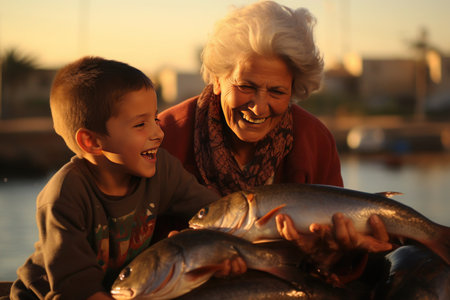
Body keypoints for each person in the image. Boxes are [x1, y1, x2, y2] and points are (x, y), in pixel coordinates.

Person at [159, 0, 392, 283]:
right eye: (246, 86)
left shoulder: (314, 139)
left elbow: (336, 267)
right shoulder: (165, 136)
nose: (259, 107)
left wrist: (335, 256)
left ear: (294, 90)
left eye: (277, 91)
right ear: (218, 80)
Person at [8, 56, 245, 300]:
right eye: (140, 124)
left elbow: (217, 215)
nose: (158, 133)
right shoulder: (65, 196)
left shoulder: (162, 170)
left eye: (155, 118)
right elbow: (78, 289)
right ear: (91, 141)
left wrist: (222, 251)